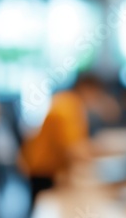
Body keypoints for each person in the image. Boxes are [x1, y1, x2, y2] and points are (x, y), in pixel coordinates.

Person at [18, 76, 91, 216]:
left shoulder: (67, 101)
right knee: (43, 207)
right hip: (44, 167)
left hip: (42, 163)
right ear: (86, 88)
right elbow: (71, 148)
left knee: (39, 206)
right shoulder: (68, 107)